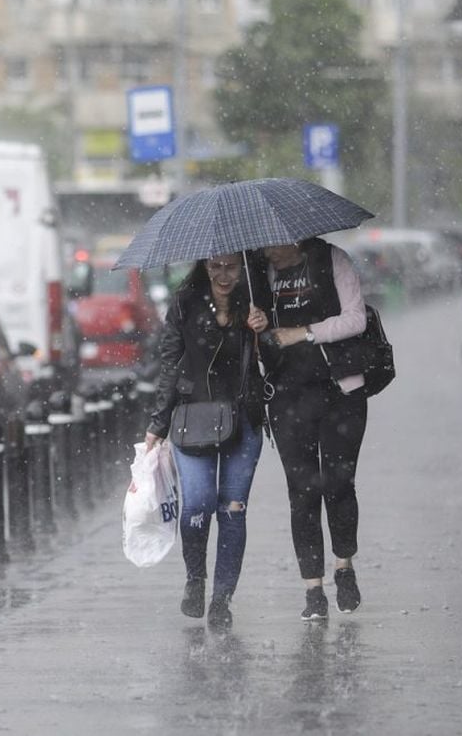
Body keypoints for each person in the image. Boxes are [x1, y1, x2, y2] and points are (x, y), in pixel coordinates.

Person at [144, 253, 268, 630]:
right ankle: (195, 579)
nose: (224, 274)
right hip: (192, 418)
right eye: (216, 266)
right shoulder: (185, 303)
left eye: (231, 266)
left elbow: (277, 362)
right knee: (196, 504)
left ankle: (222, 599)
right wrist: (157, 423)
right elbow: (169, 363)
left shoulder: (256, 298)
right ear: (204, 266)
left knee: (232, 510)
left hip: (243, 417)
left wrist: (263, 332)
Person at [259, 237, 369, 622]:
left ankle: (344, 567)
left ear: (293, 239)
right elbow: (253, 332)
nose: (267, 253)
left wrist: (304, 331)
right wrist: (256, 325)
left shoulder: (332, 258)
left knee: (339, 484)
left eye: (272, 246)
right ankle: (313, 591)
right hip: (288, 398)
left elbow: (357, 319)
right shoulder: (260, 270)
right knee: (302, 492)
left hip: (340, 391)